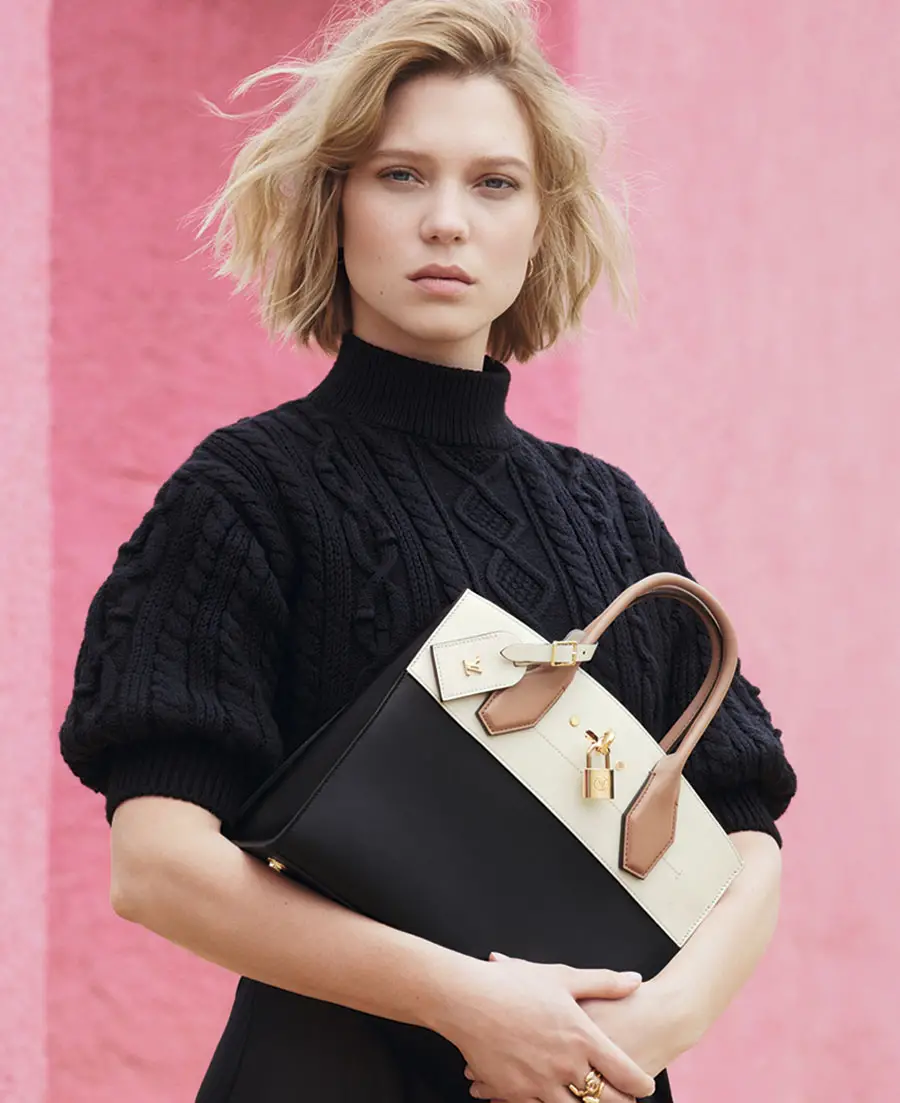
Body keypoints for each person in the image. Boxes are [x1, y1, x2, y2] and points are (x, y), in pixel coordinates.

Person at [58, 1, 798, 1100]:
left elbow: (744, 829)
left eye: (495, 183)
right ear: (335, 205)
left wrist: (650, 1030)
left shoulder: (610, 515)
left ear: (540, 225)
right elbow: (157, 865)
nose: (446, 221)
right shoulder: (248, 491)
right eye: (400, 175)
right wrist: (469, 1002)